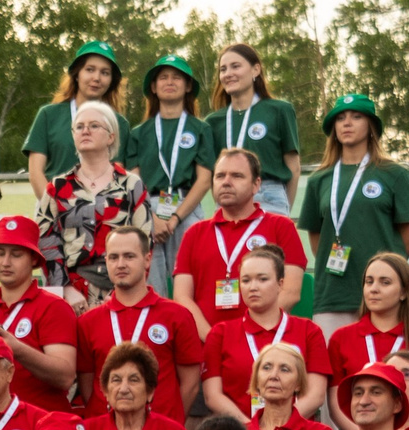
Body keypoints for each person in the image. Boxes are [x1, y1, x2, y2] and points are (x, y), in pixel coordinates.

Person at [298, 96, 409, 337]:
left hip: (383, 296)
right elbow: (316, 240)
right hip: (333, 294)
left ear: (371, 125)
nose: (347, 123)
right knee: (334, 368)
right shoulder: (318, 180)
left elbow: (408, 238)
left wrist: (385, 276)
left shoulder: (394, 174)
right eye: (340, 118)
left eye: (356, 117)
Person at [170, 150, 304, 338]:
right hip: (206, 346)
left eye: (237, 176)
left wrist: (248, 335)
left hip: (264, 343)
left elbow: (291, 292)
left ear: (256, 184)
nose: (226, 182)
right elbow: (182, 297)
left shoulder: (281, 227)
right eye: (220, 176)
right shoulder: (194, 233)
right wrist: (213, 339)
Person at [75, 229, 200, 418]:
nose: (121, 264)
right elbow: (88, 385)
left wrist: (169, 423)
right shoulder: (88, 322)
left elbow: (190, 383)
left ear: (147, 260)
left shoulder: (177, 316)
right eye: (113, 257)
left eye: (129, 256)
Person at [0, 219, 80, 413]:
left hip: (43, 428)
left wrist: (16, 348)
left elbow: (65, 376)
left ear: (34, 259)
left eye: (16, 255)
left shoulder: (54, 307)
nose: (6, 262)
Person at [39, 103, 149, 308]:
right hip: (70, 296)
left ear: (111, 136)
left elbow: (144, 243)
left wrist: (125, 293)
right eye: (79, 127)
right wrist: (64, 289)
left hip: (122, 292)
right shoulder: (57, 188)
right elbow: (46, 242)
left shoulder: (132, 185)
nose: (86, 130)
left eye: (94, 125)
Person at [200, 251, 329, 421]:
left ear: (280, 284)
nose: (253, 287)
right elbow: (213, 396)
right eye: (246, 280)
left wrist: (279, 424)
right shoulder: (220, 333)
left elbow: (316, 395)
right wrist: (250, 428)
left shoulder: (309, 331)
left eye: (262, 279)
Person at [127, 54, 215, 292]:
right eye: (163, 77)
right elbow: (133, 182)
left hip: (187, 207)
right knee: (150, 281)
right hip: (148, 208)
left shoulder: (201, 128)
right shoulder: (138, 133)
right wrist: (152, 218)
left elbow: (205, 180)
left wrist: (175, 218)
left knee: (189, 280)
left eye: (177, 77)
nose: (170, 81)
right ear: (153, 87)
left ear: (188, 86)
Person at [205, 45, 304, 215]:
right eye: (223, 69)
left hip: (269, 197)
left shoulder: (279, 110)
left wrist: (285, 209)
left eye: (235, 66)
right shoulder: (213, 122)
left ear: (255, 70)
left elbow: (293, 168)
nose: (228, 73)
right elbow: (211, 175)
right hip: (227, 201)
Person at [327, 251, 409, 395]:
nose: (374, 289)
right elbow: (336, 399)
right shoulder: (341, 338)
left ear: (404, 292)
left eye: (385, 282)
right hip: (354, 418)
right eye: (369, 282)